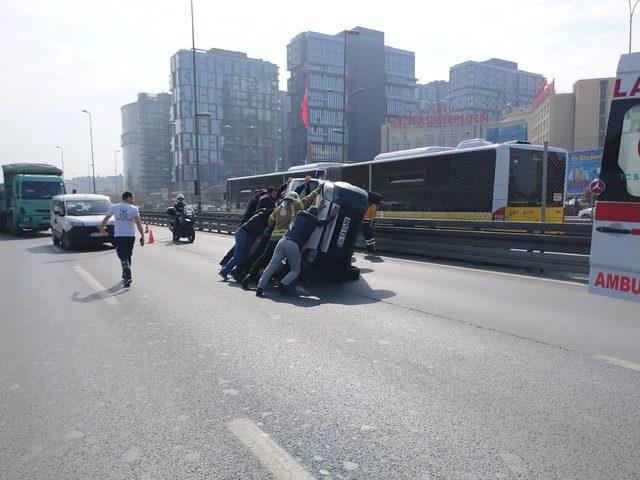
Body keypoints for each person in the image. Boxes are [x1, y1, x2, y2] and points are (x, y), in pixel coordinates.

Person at [240, 178, 318, 289]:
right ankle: (283, 281)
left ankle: (249, 277)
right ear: (295, 199)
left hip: (273, 238)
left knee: (265, 258)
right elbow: (308, 199)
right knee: (292, 262)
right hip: (286, 238)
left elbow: (270, 221)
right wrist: (318, 189)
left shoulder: (278, 208)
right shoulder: (296, 206)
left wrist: (276, 226)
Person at [256, 202, 340, 297]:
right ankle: (283, 283)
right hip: (293, 245)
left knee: (271, 266)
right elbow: (323, 222)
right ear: (315, 215)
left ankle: (260, 287)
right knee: (295, 270)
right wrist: (333, 215)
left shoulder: (299, 215)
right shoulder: (314, 221)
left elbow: (310, 214)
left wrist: (318, 208)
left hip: (282, 241)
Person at [99, 191, 145, 287]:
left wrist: (102, 227)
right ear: (128, 198)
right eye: (132, 198)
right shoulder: (134, 209)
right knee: (127, 256)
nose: (133, 200)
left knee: (124, 257)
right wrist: (142, 236)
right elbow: (138, 223)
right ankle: (125, 276)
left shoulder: (114, 207)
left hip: (119, 236)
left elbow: (106, 219)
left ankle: (127, 276)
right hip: (130, 236)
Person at [219, 207, 274, 280]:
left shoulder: (261, 214)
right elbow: (259, 231)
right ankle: (224, 271)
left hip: (242, 233)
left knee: (243, 255)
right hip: (243, 233)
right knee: (238, 256)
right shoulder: (263, 219)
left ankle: (232, 271)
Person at [362, 192, 380, 256]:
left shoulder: (373, 205)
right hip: (363, 222)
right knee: (366, 236)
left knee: (370, 237)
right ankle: (368, 250)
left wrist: (371, 223)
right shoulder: (366, 204)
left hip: (369, 222)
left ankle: (373, 250)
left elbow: (373, 215)